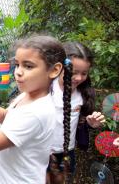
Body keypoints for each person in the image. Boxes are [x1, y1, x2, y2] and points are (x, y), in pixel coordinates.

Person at [0, 35, 69, 184]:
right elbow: (6, 117)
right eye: (17, 64)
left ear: (54, 70)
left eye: (28, 66)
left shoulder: (36, 112)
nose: (18, 71)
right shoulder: (28, 95)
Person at [47, 42, 105, 184]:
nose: (79, 78)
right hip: (42, 152)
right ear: (58, 67)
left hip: (67, 153)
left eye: (84, 73)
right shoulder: (46, 89)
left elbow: (80, 122)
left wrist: (90, 123)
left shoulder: (83, 94)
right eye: (73, 72)